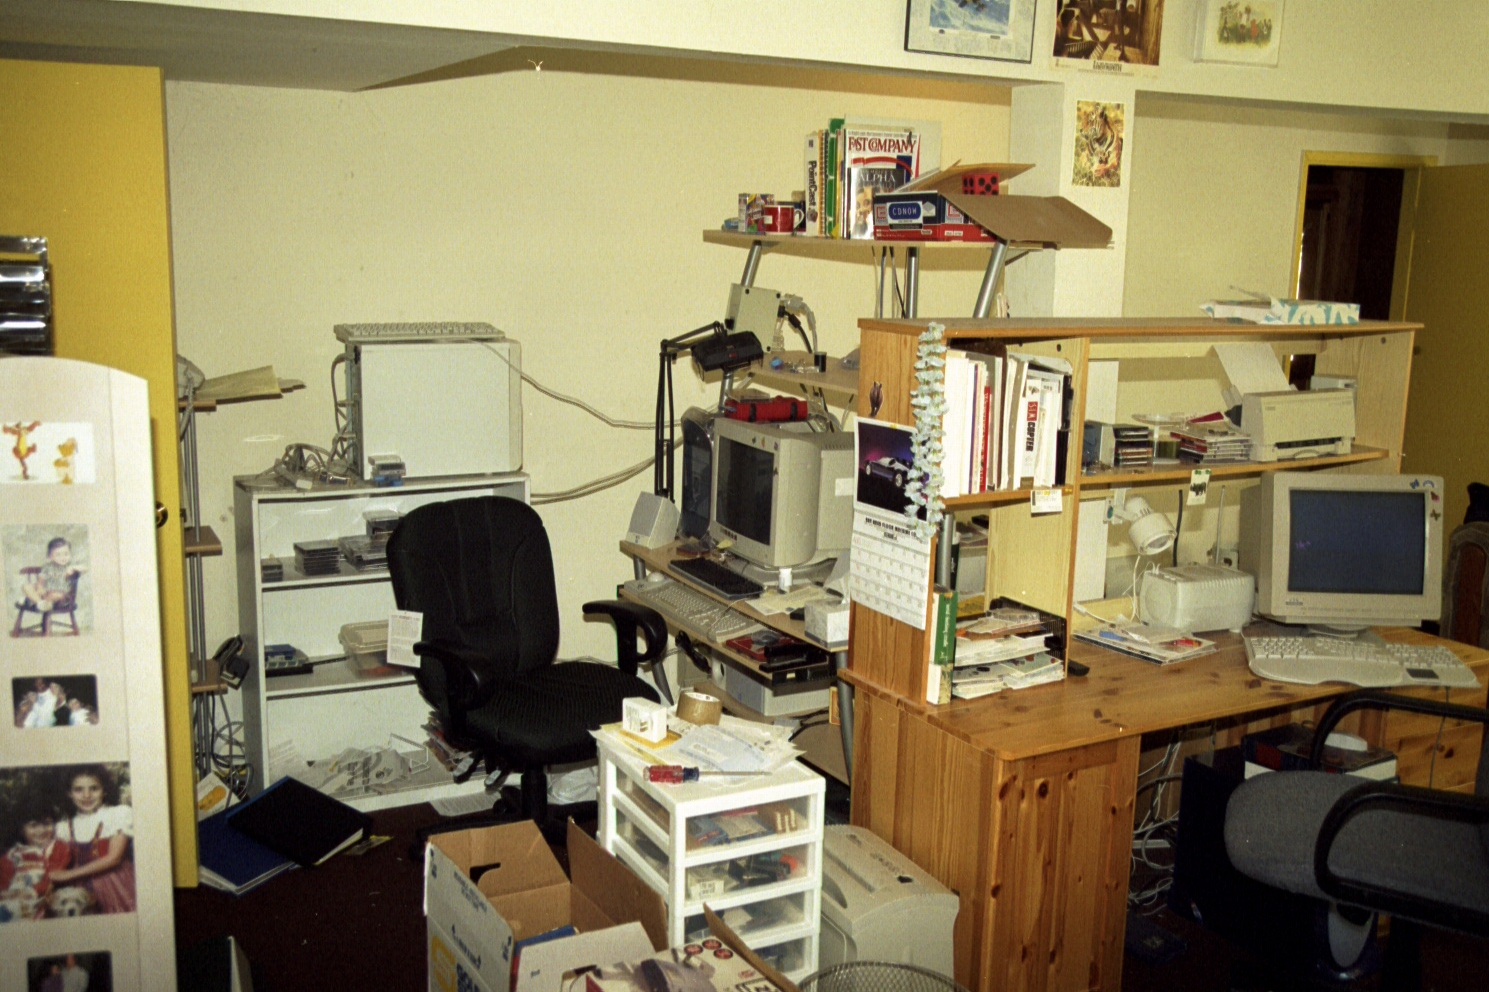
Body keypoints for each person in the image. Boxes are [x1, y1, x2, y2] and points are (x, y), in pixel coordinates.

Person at [49, 766, 135, 915]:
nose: (86, 795)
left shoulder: (117, 815)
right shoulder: (64, 827)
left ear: (104, 790)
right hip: (78, 891)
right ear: (69, 793)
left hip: (114, 885)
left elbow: (114, 858)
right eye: (78, 790)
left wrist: (67, 875)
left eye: (94, 788)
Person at [0, 798, 70, 922]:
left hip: (42, 898)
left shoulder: (58, 848)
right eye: (33, 825)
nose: (41, 830)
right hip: (12, 898)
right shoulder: (13, 854)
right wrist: (6, 894)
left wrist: (32, 891)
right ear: (22, 829)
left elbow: (52, 876)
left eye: (46, 824)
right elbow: (3, 881)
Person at [20, 538, 86, 612]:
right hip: (45, 592)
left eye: (66, 554)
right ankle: (40, 603)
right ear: (50, 556)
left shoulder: (70, 565)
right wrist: (39, 587)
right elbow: (41, 578)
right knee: (26, 586)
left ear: (70, 554)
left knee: (56, 595)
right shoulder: (48, 567)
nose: (63, 557)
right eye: (58, 555)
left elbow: (84, 568)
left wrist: (73, 568)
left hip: (61, 597)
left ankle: (33, 601)